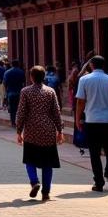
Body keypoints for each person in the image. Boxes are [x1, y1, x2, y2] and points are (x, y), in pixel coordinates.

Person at [16, 65, 63, 201]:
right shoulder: (50, 92)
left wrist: (19, 131)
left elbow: (21, 112)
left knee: (30, 159)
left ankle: (34, 181)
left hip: (31, 130)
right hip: (48, 130)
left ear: (31, 77)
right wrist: (60, 130)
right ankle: (46, 192)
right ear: (44, 77)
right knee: (47, 163)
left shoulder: (26, 92)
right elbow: (56, 112)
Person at [75, 55, 108, 192]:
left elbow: (80, 101)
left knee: (94, 153)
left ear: (91, 65)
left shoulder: (84, 80)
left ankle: (99, 181)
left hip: (92, 120)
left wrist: (78, 119)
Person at [3, 60, 26, 126]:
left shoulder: (7, 72)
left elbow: (5, 83)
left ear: (12, 64)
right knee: (20, 108)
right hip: (19, 92)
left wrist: (6, 90)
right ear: (18, 64)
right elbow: (23, 82)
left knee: (12, 108)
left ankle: (13, 122)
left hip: (10, 92)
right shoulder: (21, 72)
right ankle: (20, 121)